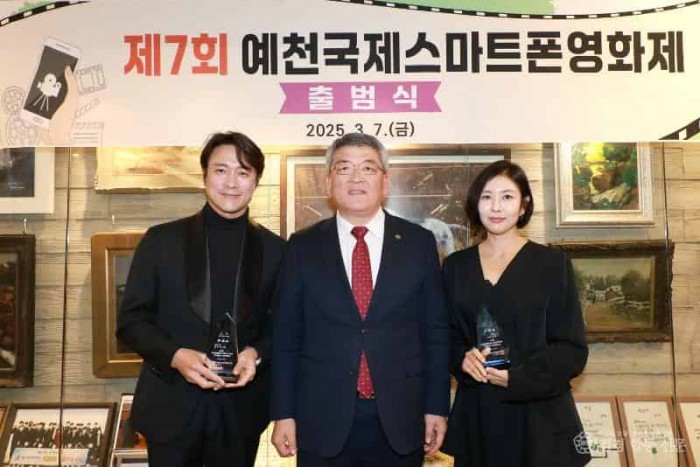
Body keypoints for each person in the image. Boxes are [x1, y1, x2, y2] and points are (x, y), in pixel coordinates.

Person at [270, 133, 450, 466]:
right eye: (344, 168)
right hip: (322, 416)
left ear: (385, 181)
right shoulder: (302, 246)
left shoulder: (419, 243)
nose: (356, 178)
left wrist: (437, 406)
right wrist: (283, 412)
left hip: (401, 415)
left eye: (368, 168)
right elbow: (286, 337)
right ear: (328, 182)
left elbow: (435, 333)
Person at [116, 131, 285, 467]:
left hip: (240, 414)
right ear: (205, 175)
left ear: (256, 180)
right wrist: (175, 356)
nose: (231, 182)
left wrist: (255, 353)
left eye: (243, 172)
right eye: (221, 170)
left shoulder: (276, 250)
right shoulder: (161, 241)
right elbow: (131, 321)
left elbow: (283, 326)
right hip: (171, 408)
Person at [441, 160, 591, 467]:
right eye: (487, 197)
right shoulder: (456, 266)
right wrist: (462, 359)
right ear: (476, 204)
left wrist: (519, 378)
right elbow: (445, 337)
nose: (496, 206)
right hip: (478, 416)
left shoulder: (552, 264)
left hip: (539, 419)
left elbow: (572, 349)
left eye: (507, 197)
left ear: (523, 206)